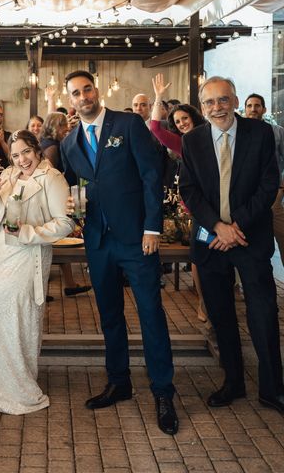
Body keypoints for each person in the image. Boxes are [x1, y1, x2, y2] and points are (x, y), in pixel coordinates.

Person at [60, 70, 178, 435]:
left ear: (96, 90)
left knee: (150, 314)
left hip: (136, 238)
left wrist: (152, 227)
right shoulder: (69, 143)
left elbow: (150, 175)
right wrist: (74, 210)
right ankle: (119, 381)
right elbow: (77, 186)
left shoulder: (127, 124)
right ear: (70, 100)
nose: (83, 97)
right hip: (97, 241)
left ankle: (163, 391)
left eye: (87, 89)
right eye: (76, 93)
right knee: (109, 316)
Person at [180, 76, 284, 413]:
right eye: (209, 103)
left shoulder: (261, 134)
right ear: (202, 107)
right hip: (210, 241)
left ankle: (272, 389)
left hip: (249, 237)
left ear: (235, 101)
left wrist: (235, 226)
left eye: (223, 100)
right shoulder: (193, 140)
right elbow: (189, 190)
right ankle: (233, 382)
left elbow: (269, 186)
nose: (217, 108)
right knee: (222, 315)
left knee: (264, 313)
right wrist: (217, 227)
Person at [0, 130, 72, 414]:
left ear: (37, 151)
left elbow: (65, 222)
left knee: (12, 317)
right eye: (16, 154)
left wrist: (28, 233)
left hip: (27, 255)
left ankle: (17, 386)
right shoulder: (9, 175)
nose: (21, 159)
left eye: (26, 152)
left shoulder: (52, 178)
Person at [150, 73, 208, 322]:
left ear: (194, 117)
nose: (182, 123)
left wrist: (203, 91)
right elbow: (154, 127)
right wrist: (158, 97)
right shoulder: (183, 144)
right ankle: (204, 303)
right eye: (177, 120)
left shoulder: (210, 136)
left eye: (185, 118)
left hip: (220, 204)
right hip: (195, 208)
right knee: (198, 256)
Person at [40, 112, 90, 297]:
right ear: (55, 127)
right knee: (56, 240)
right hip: (55, 197)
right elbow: (50, 174)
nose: (66, 130)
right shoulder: (52, 146)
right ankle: (43, 290)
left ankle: (69, 283)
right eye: (63, 126)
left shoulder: (48, 143)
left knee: (61, 240)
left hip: (58, 195)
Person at [244, 93, 284, 268]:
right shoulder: (238, 133)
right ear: (245, 109)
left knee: (282, 236)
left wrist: (281, 187)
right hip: (247, 196)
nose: (253, 109)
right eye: (250, 106)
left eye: (257, 105)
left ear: (264, 109)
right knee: (248, 240)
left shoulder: (277, 132)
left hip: (275, 195)